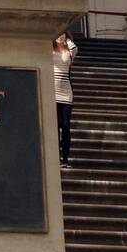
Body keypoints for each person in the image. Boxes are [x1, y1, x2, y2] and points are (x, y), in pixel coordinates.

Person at [52, 32, 78, 167]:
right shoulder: (49, 49)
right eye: (57, 35)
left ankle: (65, 158)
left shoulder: (71, 51)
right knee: (55, 126)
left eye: (61, 34)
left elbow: (74, 48)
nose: (59, 37)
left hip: (66, 92)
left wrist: (66, 39)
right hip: (53, 92)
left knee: (66, 126)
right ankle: (56, 158)